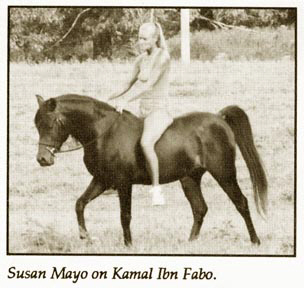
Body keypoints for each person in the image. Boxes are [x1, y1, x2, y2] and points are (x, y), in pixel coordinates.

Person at [108, 22, 173, 206]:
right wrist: (108, 98)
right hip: (142, 109)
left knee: (145, 143)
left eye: (144, 38)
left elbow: (148, 85)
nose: (140, 42)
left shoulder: (163, 57)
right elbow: (127, 83)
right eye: (139, 38)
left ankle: (156, 190)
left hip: (158, 110)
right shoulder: (140, 59)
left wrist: (125, 100)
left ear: (155, 39)